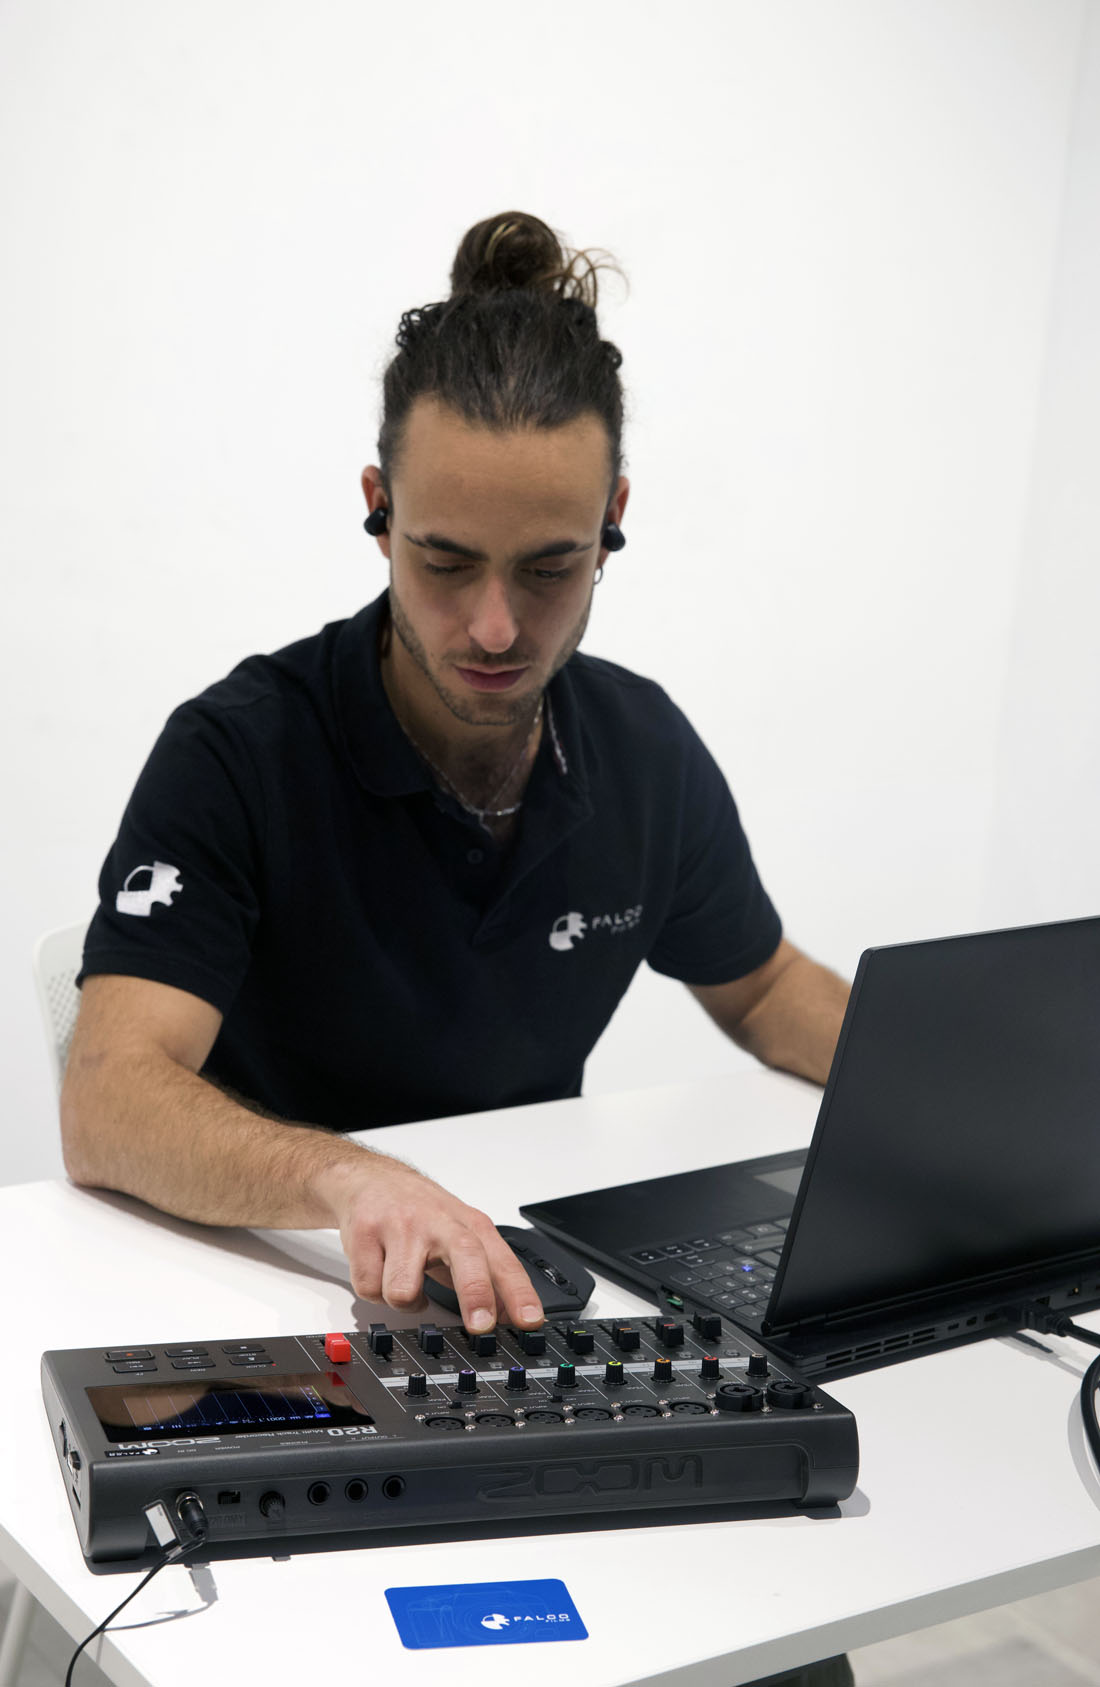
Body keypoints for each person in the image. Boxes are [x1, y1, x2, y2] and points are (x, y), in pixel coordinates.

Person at [62, 207, 855, 1687]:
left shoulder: (643, 753)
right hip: (281, 1320)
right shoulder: (238, 754)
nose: (495, 626)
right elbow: (108, 1095)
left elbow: (765, 989)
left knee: (789, 1630)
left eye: (550, 568)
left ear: (616, 518)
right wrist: (348, 1177)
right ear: (376, 507)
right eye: (444, 561)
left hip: (526, 1319)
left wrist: (955, 1100)